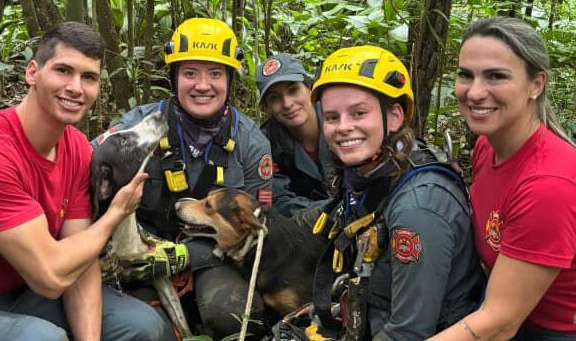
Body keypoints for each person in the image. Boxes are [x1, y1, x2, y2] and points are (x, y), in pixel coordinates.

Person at [0, 22, 169, 341]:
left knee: (141, 324)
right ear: (32, 73)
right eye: (63, 71)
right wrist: (115, 215)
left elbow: (80, 259)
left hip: (25, 293)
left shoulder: (76, 147)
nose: (76, 87)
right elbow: (50, 277)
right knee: (42, 338)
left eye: (88, 77)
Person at [99, 17, 274, 338]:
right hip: (143, 257)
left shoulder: (251, 143)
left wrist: (187, 256)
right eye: (190, 73)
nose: (202, 85)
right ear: (174, 77)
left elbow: (256, 230)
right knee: (150, 331)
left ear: (229, 80)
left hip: (217, 258)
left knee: (233, 318)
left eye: (215, 74)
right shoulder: (140, 125)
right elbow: (90, 168)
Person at [309, 45, 483, 341]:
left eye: (359, 113)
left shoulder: (417, 207)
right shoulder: (370, 176)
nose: (343, 127)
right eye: (332, 117)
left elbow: (409, 332)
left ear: (394, 116)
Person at [429, 17, 576, 341]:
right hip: (502, 302)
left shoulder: (547, 184)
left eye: (496, 76)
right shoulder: (486, 146)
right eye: (466, 75)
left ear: (536, 84)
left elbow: (500, 323)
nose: (475, 92)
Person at [255, 53, 332, 216]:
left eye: (293, 90)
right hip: (304, 225)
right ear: (267, 107)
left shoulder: (338, 119)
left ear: (310, 88)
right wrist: (334, 210)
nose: (287, 103)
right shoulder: (264, 144)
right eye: (274, 98)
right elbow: (278, 201)